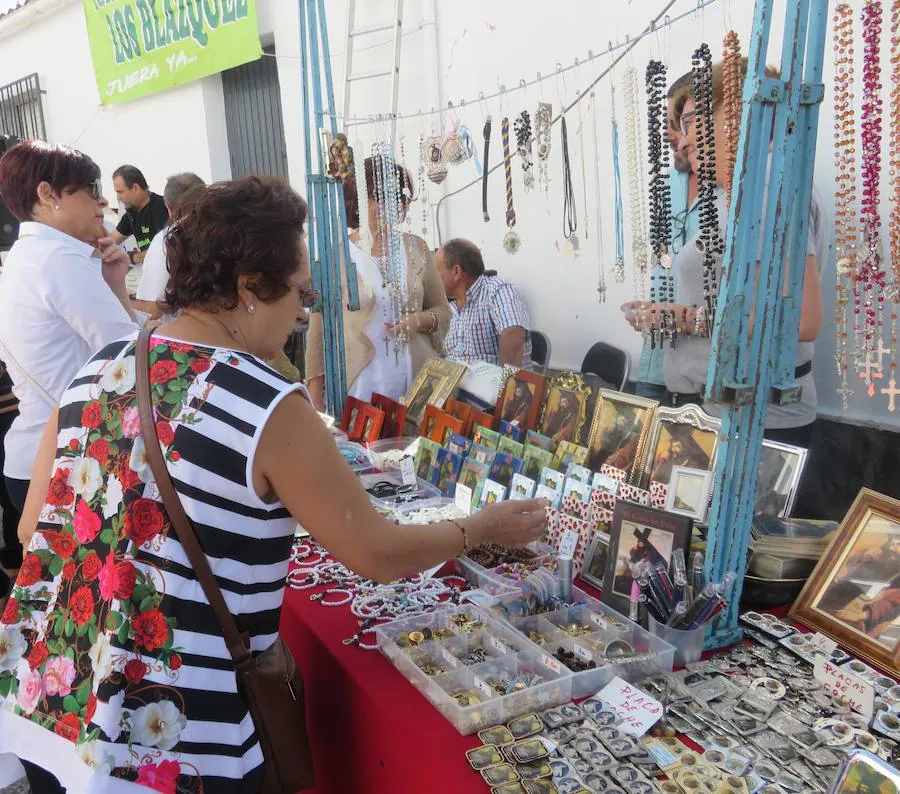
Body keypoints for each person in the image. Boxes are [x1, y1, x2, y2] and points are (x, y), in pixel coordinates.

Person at [0, 176, 547, 793]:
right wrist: (482, 528)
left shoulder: (102, 366)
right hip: (176, 740)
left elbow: (32, 528)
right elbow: (376, 552)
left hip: (56, 702)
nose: (302, 312)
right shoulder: (267, 403)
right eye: (298, 292)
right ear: (248, 289)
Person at [621, 59, 824, 449]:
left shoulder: (766, 188)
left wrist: (683, 318)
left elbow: (798, 320)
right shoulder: (751, 191)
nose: (681, 140)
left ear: (734, 111)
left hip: (756, 420)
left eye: (690, 122)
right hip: (732, 411)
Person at [0, 141, 141, 516]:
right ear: (46, 194)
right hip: (65, 463)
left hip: (34, 460)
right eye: (92, 188)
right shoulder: (58, 258)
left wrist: (114, 287)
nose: (103, 204)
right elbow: (133, 358)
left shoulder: (25, 257)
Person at [306, 157, 450, 409]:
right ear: (361, 199)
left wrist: (416, 321)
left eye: (398, 197)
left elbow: (442, 311)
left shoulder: (416, 248)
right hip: (360, 391)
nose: (392, 205)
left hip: (415, 387)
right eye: (381, 197)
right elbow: (318, 337)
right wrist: (317, 409)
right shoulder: (335, 258)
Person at [633, 70, 696, 400]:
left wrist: (682, 317)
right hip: (655, 364)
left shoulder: (730, 190)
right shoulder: (668, 184)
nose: (672, 136)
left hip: (702, 374)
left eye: (681, 122)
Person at [436, 239, 532, 367]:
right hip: (453, 383)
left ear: (456, 272)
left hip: (490, 384)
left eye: (437, 271)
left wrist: (506, 385)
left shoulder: (496, 291)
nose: (434, 279)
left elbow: (513, 335)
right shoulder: (448, 306)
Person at [133, 172, 206, 316]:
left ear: (168, 207)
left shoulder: (167, 240)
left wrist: (120, 298)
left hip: (190, 334)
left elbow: (153, 310)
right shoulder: (227, 231)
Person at [109, 165, 168, 265]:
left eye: (120, 192)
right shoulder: (132, 213)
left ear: (136, 188)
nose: (118, 198)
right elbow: (111, 241)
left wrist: (135, 257)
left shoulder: (161, 208)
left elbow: (167, 249)